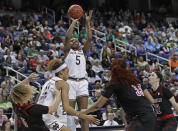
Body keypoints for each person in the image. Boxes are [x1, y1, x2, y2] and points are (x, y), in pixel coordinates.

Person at [81, 59, 156, 131]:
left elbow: (98, 105)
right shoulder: (136, 80)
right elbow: (151, 100)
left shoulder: (114, 83)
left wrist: (85, 111)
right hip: (151, 116)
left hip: (139, 119)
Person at [37, 59, 99, 131]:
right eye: (67, 72)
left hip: (38, 116)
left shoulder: (47, 83)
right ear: (61, 72)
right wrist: (85, 117)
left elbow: (38, 100)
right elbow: (66, 108)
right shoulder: (63, 84)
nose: (68, 75)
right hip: (48, 118)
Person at [64, 10, 93, 131]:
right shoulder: (67, 51)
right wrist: (74, 22)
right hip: (70, 82)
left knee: (84, 114)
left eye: (76, 40)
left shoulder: (83, 52)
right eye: (72, 41)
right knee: (70, 115)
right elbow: (67, 37)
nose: (74, 40)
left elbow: (90, 38)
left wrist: (87, 22)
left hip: (82, 82)